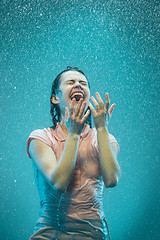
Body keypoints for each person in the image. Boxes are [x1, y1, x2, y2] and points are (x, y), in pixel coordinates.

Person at [26, 66, 121, 240]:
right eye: (71, 82)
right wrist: (74, 134)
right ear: (55, 97)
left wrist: (102, 129)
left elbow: (112, 180)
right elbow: (60, 183)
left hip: (94, 236)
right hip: (50, 235)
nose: (78, 85)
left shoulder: (105, 138)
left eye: (83, 83)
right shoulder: (41, 138)